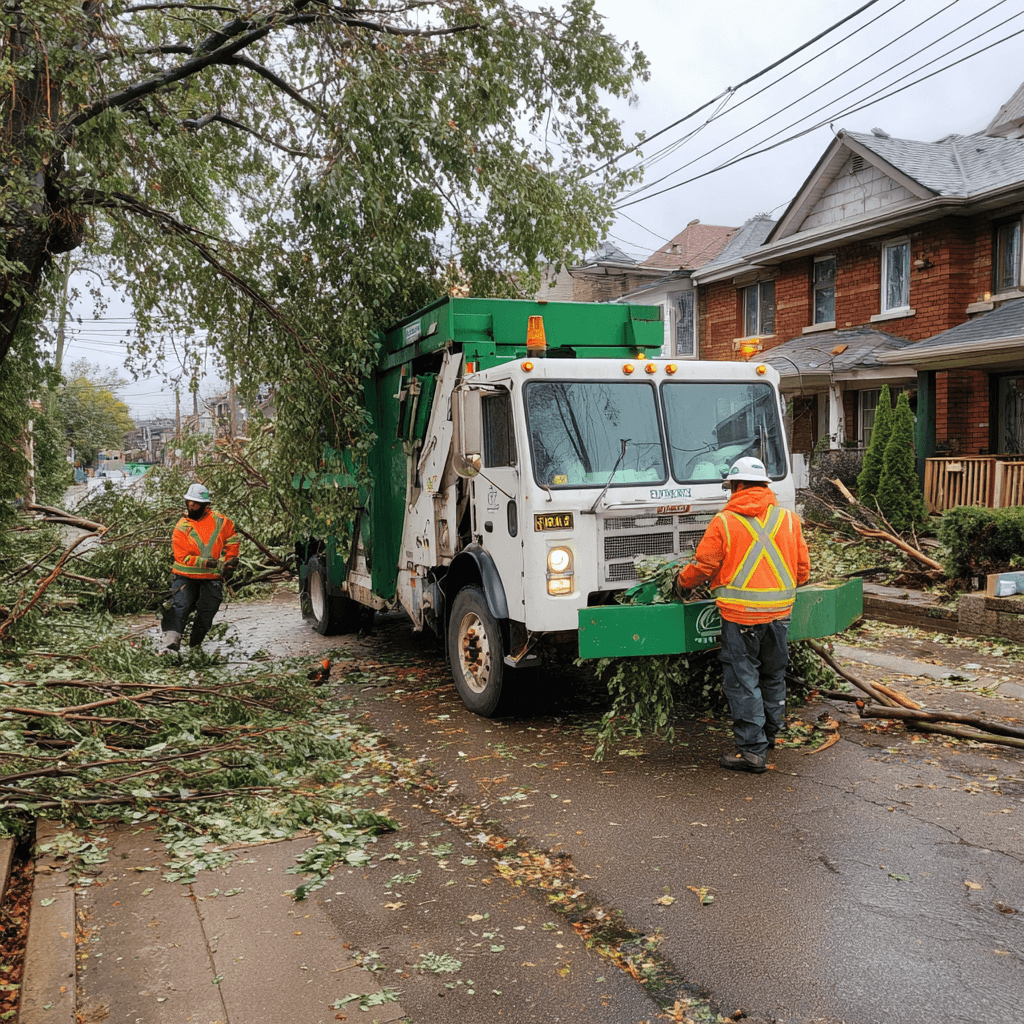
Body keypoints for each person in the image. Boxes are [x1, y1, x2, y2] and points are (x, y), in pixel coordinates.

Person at [675, 456, 810, 774]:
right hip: (780, 616)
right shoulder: (789, 520)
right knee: (773, 675)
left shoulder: (724, 522)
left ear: (735, 486)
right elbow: (802, 572)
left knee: (742, 681)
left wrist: (681, 583)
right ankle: (770, 736)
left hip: (740, 619)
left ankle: (752, 752)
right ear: (765, 485)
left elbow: (703, 567)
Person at [158, 483, 240, 654]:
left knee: (207, 612)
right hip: (184, 576)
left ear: (205, 505)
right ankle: (170, 646)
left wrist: (230, 560)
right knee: (178, 607)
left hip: (211, 578)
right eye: (189, 503)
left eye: (195, 504)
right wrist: (206, 563)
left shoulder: (221, 521)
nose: (191, 506)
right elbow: (181, 557)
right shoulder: (182, 526)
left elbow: (232, 540)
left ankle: (195, 646)